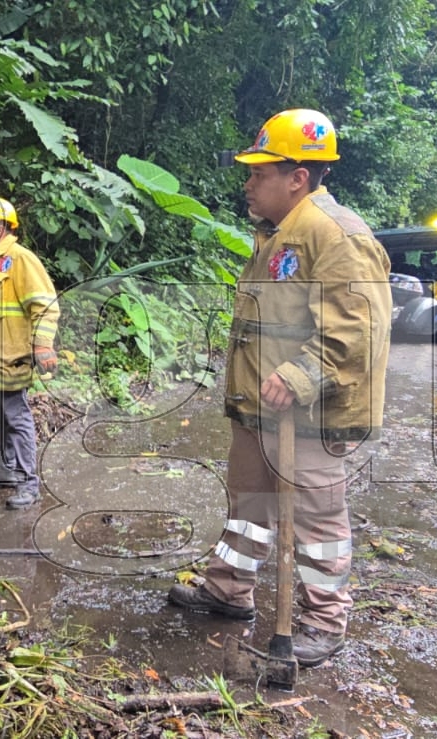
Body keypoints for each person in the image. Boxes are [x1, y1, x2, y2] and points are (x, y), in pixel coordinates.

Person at [167, 109, 392, 668]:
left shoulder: (335, 234)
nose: (248, 183)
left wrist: (299, 375)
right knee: (248, 504)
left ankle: (322, 619)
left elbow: (359, 324)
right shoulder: (278, 233)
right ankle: (228, 589)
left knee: (317, 520)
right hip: (260, 408)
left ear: (298, 175)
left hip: (312, 413)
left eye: (260, 173)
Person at [0, 197, 60, 509]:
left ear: (3, 229)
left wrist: (42, 346)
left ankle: (30, 484)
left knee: (16, 417)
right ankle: (4, 469)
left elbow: (45, 305)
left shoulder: (20, 260)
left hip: (10, 358)